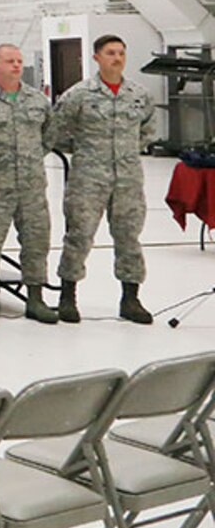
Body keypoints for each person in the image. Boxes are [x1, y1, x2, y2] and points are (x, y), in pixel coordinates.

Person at [47, 33, 158, 324]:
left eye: (121, 53)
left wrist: (124, 152)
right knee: (79, 236)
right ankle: (67, 296)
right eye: (110, 53)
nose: (117, 58)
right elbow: (56, 132)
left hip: (128, 179)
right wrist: (86, 151)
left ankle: (130, 298)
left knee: (129, 238)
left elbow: (147, 132)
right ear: (96, 57)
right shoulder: (78, 95)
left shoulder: (139, 95)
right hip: (88, 178)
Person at [0, 43, 58, 324]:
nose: (16, 66)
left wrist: (28, 159)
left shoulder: (38, 100)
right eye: (9, 61)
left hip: (32, 186)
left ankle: (36, 298)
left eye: (19, 61)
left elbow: (48, 136)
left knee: (36, 240)